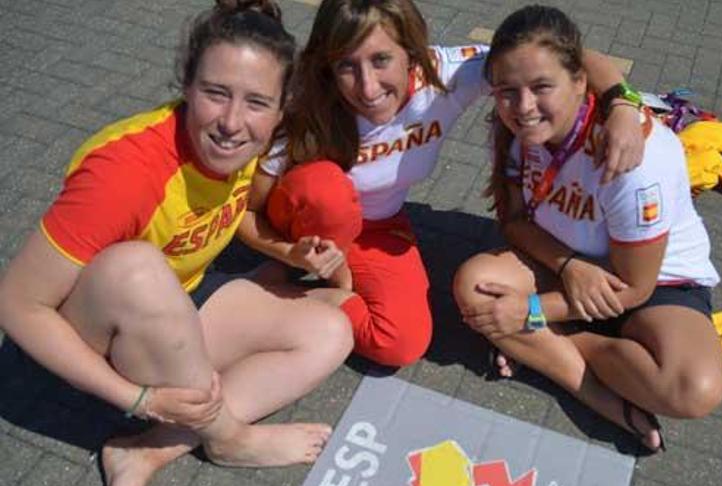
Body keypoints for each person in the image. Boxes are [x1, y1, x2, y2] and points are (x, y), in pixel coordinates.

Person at [0, 1, 353, 486]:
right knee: (137, 268)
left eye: (255, 102)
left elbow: (239, 216)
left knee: (333, 331)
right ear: (187, 86)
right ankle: (228, 438)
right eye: (215, 93)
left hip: (177, 307)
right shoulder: (125, 171)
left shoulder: (248, 146)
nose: (232, 121)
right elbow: (17, 305)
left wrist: (289, 254)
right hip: (84, 346)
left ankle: (145, 449)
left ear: (280, 108)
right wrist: (139, 398)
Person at [237, 0, 648, 368]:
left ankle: (287, 299)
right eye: (347, 65)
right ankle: (291, 280)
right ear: (328, 66)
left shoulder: (446, 75)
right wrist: (290, 253)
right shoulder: (305, 104)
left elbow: (556, 57)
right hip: (302, 221)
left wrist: (623, 103)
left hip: (376, 225)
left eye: (381, 60)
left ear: (413, 54)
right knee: (326, 190)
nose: (367, 87)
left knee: (401, 343)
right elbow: (247, 211)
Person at [453, 5, 722, 452]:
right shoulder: (514, 132)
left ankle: (549, 343)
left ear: (580, 83)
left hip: (651, 282)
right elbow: (515, 222)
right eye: (507, 91)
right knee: (476, 287)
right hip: (561, 261)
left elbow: (634, 289)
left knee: (693, 388)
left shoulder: (631, 157)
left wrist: (531, 315)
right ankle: (591, 391)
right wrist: (570, 265)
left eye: (542, 88)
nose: (523, 108)